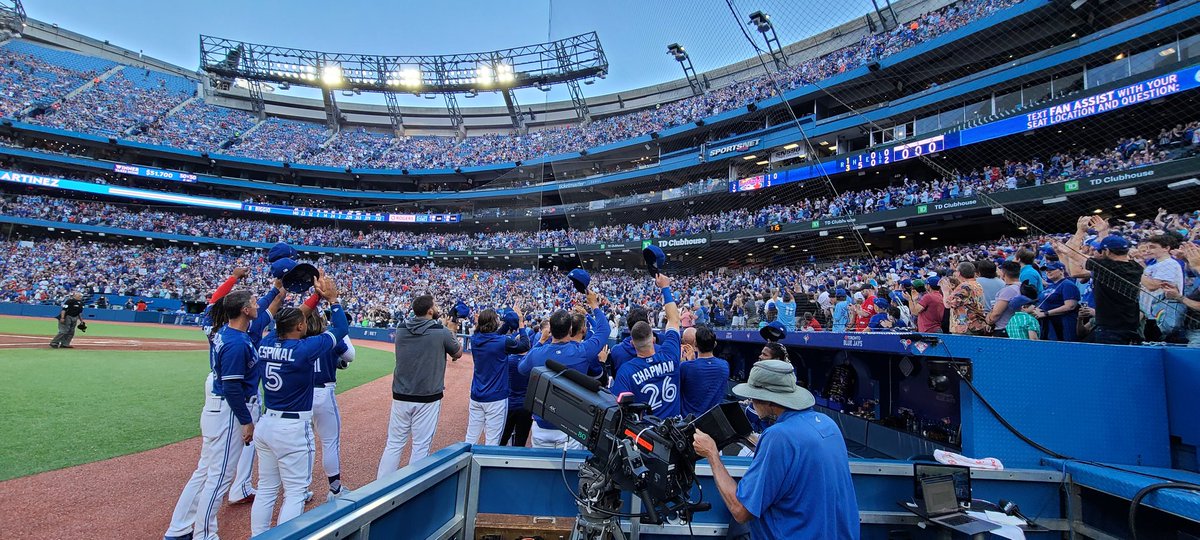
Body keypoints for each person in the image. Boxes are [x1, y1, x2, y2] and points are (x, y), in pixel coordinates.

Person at [692, 360, 859, 539]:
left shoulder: (778, 437)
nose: (750, 401)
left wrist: (711, 453)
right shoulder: (828, 424)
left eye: (754, 396)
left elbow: (740, 510)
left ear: (770, 401)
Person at [164, 285, 280, 540]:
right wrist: (246, 421)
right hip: (229, 410)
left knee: (205, 470)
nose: (257, 305)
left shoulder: (228, 332)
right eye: (253, 302)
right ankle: (204, 535)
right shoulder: (236, 343)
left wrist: (276, 290)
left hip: (218, 407)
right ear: (244, 310)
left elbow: (264, 313)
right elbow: (231, 387)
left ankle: (178, 529)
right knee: (219, 477)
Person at [250, 275, 348, 535]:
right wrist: (333, 300)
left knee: (268, 489)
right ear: (300, 327)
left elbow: (293, 319)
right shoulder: (304, 349)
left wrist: (316, 297)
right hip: (292, 428)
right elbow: (340, 330)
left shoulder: (267, 341)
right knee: (295, 492)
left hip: (266, 422)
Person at [377, 294, 463, 479]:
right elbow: (458, 352)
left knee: (394, 443)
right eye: (436, 305)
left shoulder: (401, 329)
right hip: (427, 397)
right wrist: (450, 329)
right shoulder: (441, 331)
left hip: (400, 395)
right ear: (430, 310)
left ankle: (379, 489)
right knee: (420, 445)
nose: (439, 308)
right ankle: (412, 488)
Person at [518, 289, 610, 448]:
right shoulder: (582, 351)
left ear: (551, 330)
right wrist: (594, 304)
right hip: (571, 428)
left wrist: (541, 340)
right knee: (571, 471)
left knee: (539, 471)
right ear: (570, 330)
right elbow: (604, 331)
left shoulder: (537, 354)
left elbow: (521, 369)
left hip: (541, 425)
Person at [1055, 216, 1144, 344]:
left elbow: (1074, 262)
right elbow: (1109, 254)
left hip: (1110, 330)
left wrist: (1080, 231)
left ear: (1106, 251)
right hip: (1130, 328)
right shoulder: (1136, 266)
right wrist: (1103, 231)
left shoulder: (1105, 267)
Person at [613, 274, 682, 418]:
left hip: (647, 433)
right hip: (675, 430)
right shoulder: (669, 353)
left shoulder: (626, 371)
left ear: (632, 342)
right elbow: (674, 320)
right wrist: (665, 287)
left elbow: (617, 408)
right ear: (653, 339)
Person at [307, 305, 356, 500]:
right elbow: (349, 356)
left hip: (300, 395)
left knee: (305, 444)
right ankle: (335, 490)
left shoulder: (295, 339)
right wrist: (340, 328)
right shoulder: (328, 337)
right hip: (324, 392)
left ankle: (300, 490)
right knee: (329, 442)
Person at [464, 308, 515, 446]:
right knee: (492, 441)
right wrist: (520, 324)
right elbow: (525, 345)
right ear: (494, 323)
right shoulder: (501, 341)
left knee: (470, 438)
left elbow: (494, 336)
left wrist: (506, 324)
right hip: (496, 398)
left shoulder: (475, 339)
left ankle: (466, 466)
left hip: (476, 396)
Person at [679, 325, 729, 416]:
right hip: (714, 420)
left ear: (695, 344)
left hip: (690, 422)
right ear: (715, 344)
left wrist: (686, 361)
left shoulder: (685, 367)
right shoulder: (724, 365)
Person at [499, 334, 533, 446]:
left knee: (502, 439)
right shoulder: (530, 363)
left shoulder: (507, 360)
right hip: (525, 406)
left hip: (508, 404)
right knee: (520, 442)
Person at [1034, 262, 1080, 341]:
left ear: (1061, 270)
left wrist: (1046, 313)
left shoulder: (1068, 285)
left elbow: (1070, 306)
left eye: (1051, 270)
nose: (1048, 272)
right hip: (1048, 324)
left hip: (1063, 324)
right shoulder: (1050, 286)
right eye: (1046, 270)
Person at [943, 262, 990, 336]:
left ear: (958, 273)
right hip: (976, 324)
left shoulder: (965, 286)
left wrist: (945, 291)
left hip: (966, 328)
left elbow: (948, 304)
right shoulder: (976, 284)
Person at [985, 261, 1023, 338]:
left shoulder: (1008, 290)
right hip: (1017, 328)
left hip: (1004, 329)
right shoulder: (1022, 287)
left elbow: (996, 313)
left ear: (1003, 273)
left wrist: (989, 320)